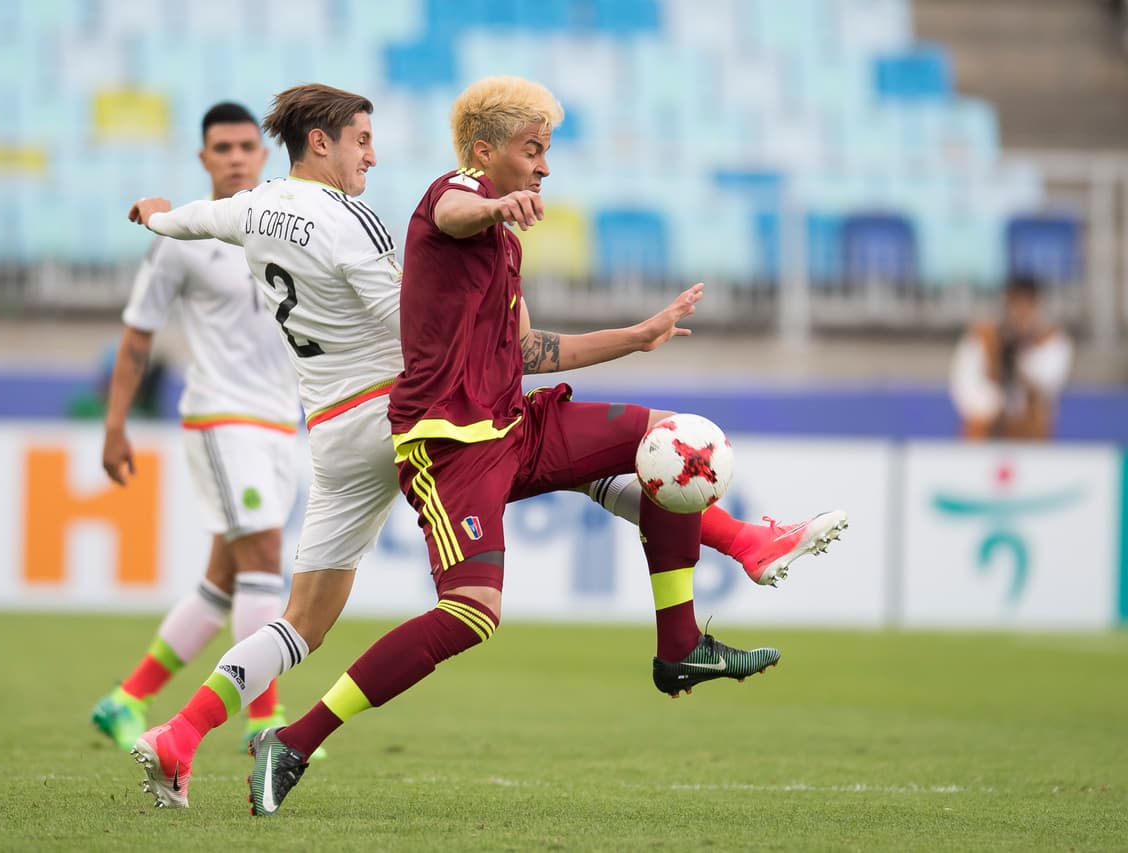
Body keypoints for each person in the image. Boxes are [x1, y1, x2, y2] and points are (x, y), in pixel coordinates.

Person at [123, 82, 846, 810]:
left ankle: (180, 734)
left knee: (302, 621)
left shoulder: (249, 206)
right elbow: (432, 276)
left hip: (337, 431)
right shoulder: (363, 218)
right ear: (321, 142)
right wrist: (488, 231)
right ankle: (737, 550)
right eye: (362, 141)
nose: (371, 155)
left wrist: (152, 212)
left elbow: (182, 221)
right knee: (502, 550)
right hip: (416, 416)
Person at [89, 102, 305, 756]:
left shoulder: (286, 227)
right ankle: (264, 724)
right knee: (264, 560)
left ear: (264, 155)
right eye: (222, 148)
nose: (236, 157)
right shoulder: (181, 239)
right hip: (221, 417)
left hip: (281, 423)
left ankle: (126, 698)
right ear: (204, 158)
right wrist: (115, 425)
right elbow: (138, 335)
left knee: (224, 582)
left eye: (246, 146)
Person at [949, 275, 1073, 440]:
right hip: (984, 434)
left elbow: (1046, 388)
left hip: (1029, 437)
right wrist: (995, 356)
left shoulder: (1052, 341)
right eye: (1016, 305)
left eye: (1027, 306)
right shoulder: (982, 338)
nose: (1021, 314)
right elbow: (966, 391)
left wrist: (1017, 359)